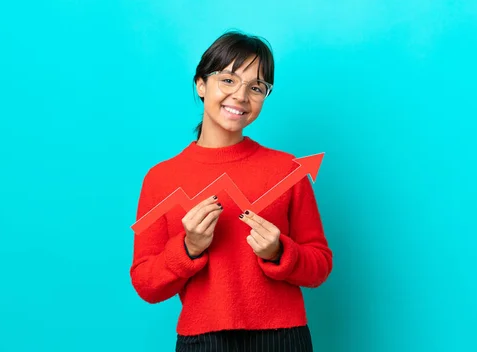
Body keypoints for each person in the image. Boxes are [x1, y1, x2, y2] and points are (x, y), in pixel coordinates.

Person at [130, 30, 333, 351]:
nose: (241, 96)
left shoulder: (289, 169)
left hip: (284, 336)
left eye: (256, 87)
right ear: (201, 85)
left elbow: (320, 265)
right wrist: (189, 248)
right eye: (227, 80)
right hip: (202, 338)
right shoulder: (161, 178)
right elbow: (146, 285)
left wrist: (279, 252)